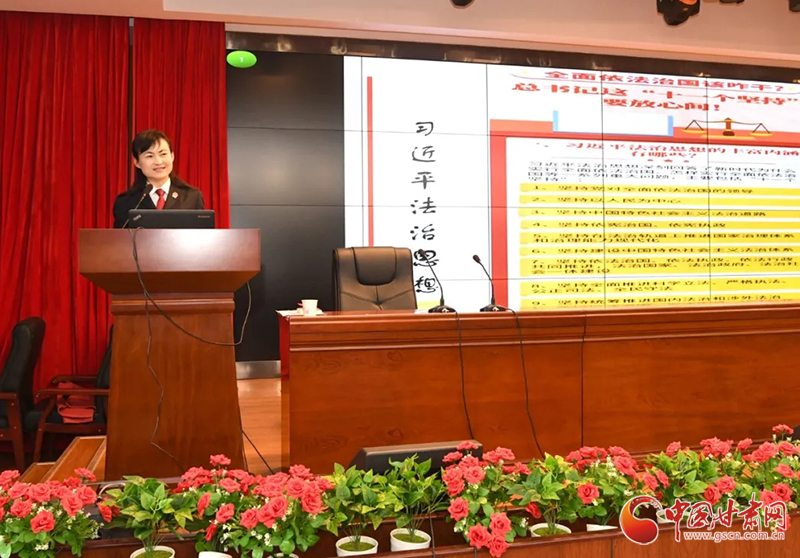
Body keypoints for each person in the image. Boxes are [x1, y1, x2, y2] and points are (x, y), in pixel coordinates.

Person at [112, 129, 205, 228]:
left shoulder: (192, 197)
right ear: (137, 162)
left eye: (163, 154)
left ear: (172, 156)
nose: (158, 162)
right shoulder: (125, 202)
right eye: (149, 156)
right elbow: (119, 237)